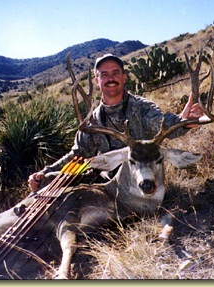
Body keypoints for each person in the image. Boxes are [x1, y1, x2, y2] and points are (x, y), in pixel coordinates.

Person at [28, 53, 204, 192]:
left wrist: (183, 121)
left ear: (124, 77)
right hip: (107, 186)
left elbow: (163, 124)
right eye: (104, 75)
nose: (110, 78)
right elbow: (78, 155)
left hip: (144, 183)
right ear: (97, 81)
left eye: (115, 73)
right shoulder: (92, 121)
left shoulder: (141, 107)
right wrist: (45, 174)